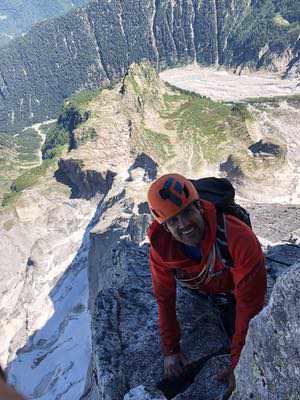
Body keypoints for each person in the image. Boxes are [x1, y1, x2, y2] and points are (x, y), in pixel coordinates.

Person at [147, 173, 267, 399]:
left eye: (187, 212)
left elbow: (249, 304)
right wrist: (170, 350)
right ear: (164, 226)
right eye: (173, 221)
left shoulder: (237, 237)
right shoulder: (161, 249)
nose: (183, 225)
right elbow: (164, 297)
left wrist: (238, 363)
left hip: (232, 285)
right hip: (203, 286)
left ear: (200, 206)